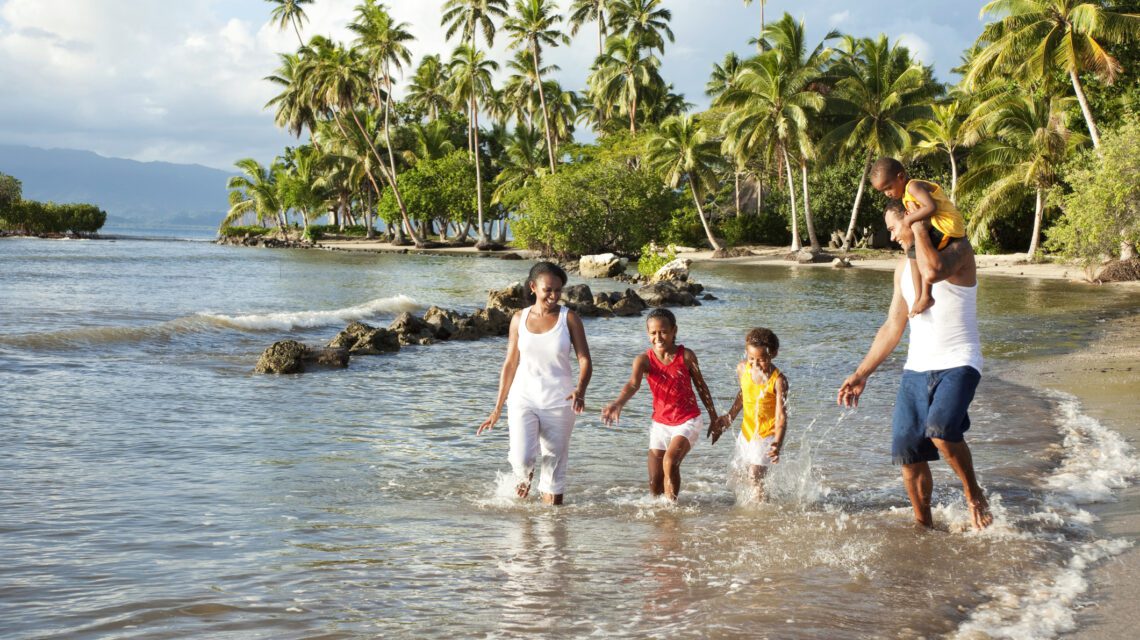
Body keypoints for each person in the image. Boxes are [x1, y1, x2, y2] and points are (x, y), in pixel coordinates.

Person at [837, 203, 993, 530]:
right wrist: (862, 372)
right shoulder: (900, 269)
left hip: (959, 360)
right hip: (917, 367)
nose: (892, 235)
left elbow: (933, 270)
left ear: (915, 218)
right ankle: (924, 529)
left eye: (895, 226)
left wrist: (919, 227)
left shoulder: (957, 250)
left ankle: (973, 491)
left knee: (941, 430)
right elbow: (893, 326)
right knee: (908, 451)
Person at [478, 262, 592, 505]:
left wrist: (580, 390)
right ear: (533, 287)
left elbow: (585, 359)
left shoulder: (569, 319)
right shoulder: (519, 318)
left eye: (558, 290)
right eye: (548, 289)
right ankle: (526, 482)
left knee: (554, 467)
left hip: (560, 401)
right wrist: (497, 408)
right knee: (522, 459)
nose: (553, 295)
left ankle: (552, 528)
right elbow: (510, 364)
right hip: (523, 398)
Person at [601, 308, 721, 501]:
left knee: (670, 461)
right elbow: (633, 384)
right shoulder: (644, 360)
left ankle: (671, 512)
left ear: (674, 331)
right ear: (648, 334)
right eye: (653, 333)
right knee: (655, 481)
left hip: (687, 420)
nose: (658, 337)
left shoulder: (687, 356)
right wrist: (618, 403)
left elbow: (701, 387)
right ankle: (659, 519)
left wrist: (714, 418)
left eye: (663, 331)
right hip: (661, 423)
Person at [869, 157, 966, 318]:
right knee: (913, 254)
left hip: (946, 226)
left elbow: (931, 207)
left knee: (921, 253)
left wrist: (909, 220)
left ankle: (926, 296)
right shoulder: (906, 193)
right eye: (883, 191)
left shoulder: (913, 186)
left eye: (889, 188)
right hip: (940, 225)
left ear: (901, 177)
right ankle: (919, 296)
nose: (887, 193)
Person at [710, 328, 788, 500]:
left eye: (761, 360)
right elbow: (744, 394)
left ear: (773, 354)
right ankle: (750, 509)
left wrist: (778, 443)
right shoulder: (742, 369)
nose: (755, 364)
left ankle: (760, 513)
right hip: (747, 432)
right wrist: (730, 417)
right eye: (751, 358)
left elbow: (781, 416)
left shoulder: (778, 380)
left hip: (767, 435)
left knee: (755, 476)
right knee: (739, 474)